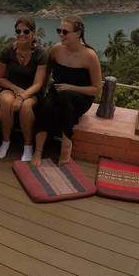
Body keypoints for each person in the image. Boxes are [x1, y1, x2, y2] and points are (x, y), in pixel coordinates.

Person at [31, 15, 102, 167]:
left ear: (77, 33)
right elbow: (47, 74)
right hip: (58, 91)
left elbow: (97, 89)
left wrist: (71, 87)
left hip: (81, 97)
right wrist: (41, 94)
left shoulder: (89, 56)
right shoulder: (56, 50)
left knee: (65, 95)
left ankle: (66, 143)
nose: (61, 35)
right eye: (59, 31)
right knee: (46, 106)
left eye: (65, 32)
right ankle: (38, 150)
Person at [0, 16, 48, 161]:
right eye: (18, 31)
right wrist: (15, 88)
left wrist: (21, 97)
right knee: (6, 101)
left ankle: (28, 146)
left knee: (25, 106)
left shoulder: (41, 54)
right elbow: (0, 78)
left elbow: (38, 84)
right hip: (10, 87)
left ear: (33, 32)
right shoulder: (7, 50)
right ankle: (5, 142)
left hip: (31, 92)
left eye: (26, 31)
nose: (22, 34)